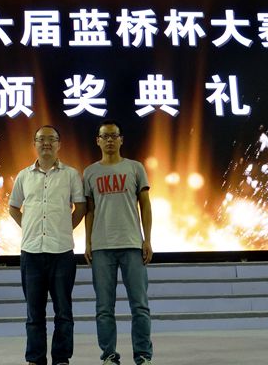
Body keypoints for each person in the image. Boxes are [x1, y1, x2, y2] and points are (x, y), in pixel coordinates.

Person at [9, 125, 86, 365]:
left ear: (59, 144)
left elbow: (80, 207)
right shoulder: (23, 176)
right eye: (41, 139)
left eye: (51, 139)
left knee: (63, 311)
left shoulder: (71, 175)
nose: (46, 143)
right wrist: (29, 227)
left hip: (62, 252)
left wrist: (64, 228)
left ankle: (61, 358)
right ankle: (35, 358)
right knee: (34, 312)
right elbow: (13, 207)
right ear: (34, 144)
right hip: (31, 253)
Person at [83, 119, 154, 365]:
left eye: (114, 135)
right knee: (104, 308)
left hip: (132, 244)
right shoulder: (90, 172)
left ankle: (143, 355)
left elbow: (145, 205)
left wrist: (147, 240)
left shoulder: (135, 168)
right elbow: (89, 210)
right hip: (102, 247)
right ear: (98, 141)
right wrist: (88, 243)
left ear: (121, 139)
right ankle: (109, 355)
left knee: (140, 306)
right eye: (105, 136)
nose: (110, 140)